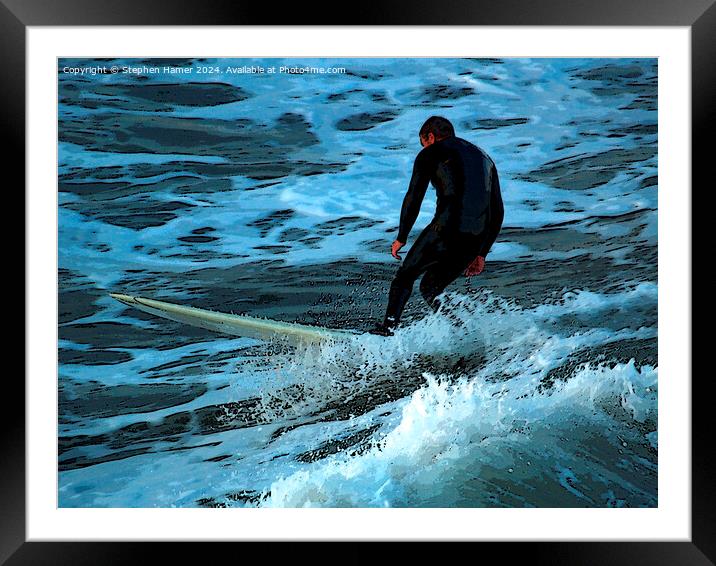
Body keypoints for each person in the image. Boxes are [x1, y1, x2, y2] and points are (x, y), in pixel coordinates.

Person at [371, 116, 504, 336]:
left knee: (404, 277)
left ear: (430, 137)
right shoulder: (485, 159)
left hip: (447, 229)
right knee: (430, 288)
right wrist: (481, 253)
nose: (424, 148)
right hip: (475, 237)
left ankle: (388, 329)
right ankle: (462, 331)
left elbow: (414, 197)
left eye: (424, 143)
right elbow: (497, 211)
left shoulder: (431, 153)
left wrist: (401, 236)